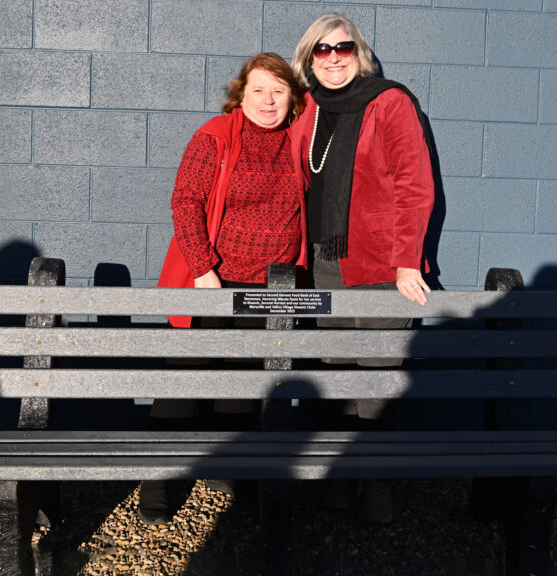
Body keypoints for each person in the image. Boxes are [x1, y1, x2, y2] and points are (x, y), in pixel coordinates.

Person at [141, 53, 308, 525]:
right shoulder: (215, 135)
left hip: (270, 288)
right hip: (212, 281)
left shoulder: (299, 140)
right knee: (184, 383)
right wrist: (203, 268)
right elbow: (186, 201)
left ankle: (225, 474)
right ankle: (158, 485)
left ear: (292, 98)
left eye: (278, 91)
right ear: (241, 94)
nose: (268, 101)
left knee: (241, 387)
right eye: (259, 90)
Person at [291, 13, 435, 524]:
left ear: (360, 53)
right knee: (334, 376)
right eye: (322, 50)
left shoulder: (389, 102)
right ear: (309, 60)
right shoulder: (307, 108)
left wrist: (405, 262)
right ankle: (341, 476)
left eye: (343, 48)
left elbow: (414, 186)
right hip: (324, 263)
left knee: (377, 380)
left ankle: (377, 482)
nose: (333, 58)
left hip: (379, 264)